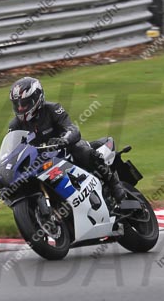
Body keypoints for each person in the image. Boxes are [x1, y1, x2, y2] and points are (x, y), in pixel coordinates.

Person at [8, 76, 126, 205]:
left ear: (37, 98)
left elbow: (72, 128)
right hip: (41, 160)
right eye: (17, 105)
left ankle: (114, 184)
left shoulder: (52, 109)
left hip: (65, 150)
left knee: (81, 150)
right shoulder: (15, 125)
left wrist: (64, 139)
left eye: (24, 104)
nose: (20, 109)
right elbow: (13, 147)